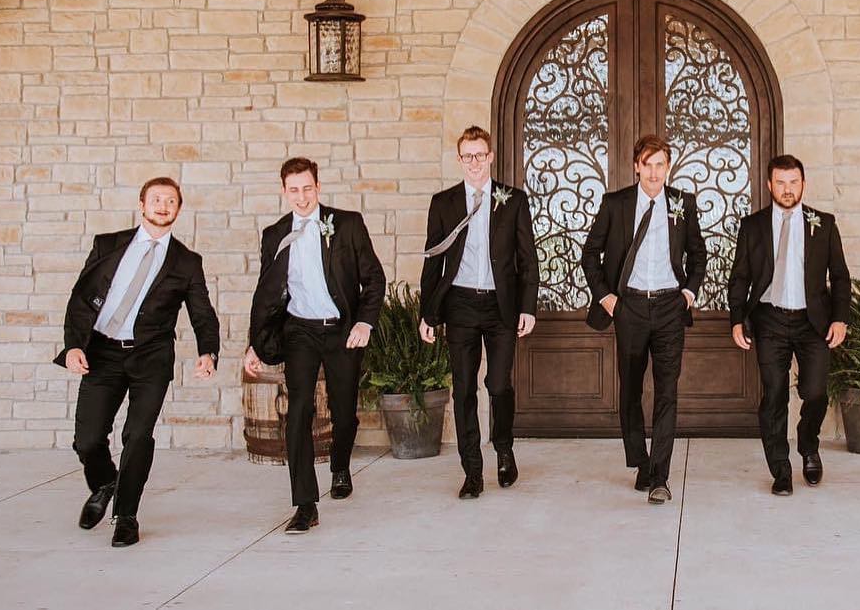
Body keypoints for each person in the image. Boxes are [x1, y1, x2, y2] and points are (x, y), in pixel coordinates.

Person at [55, 177, 219, 547]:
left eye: (171, 201)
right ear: (142, 204)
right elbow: (81, 300)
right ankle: (104, 483)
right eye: (156, 199)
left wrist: (208, 352)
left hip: (151, 357)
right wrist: (72, 346)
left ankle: (126, 516)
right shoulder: (108, 245)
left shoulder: (187, 262)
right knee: (87, 439)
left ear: (178, 209)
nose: (163, 205)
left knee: (137, 436)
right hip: (103, 352)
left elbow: (202, 314)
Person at [245, 157, 385, 534]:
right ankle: (305, 503)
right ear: (284, 191)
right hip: (300, 332)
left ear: (318, 188)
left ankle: (340, 466)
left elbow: (374, 278)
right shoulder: (275, 234)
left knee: (344, 411)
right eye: (294, 190)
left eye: (308, 188)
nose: (302, 196)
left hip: (341, 328)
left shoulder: (347, 224)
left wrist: (364, 322)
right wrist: (255, 344)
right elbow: (267, 295)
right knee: (300, 409)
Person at [581, 135, 707, 505]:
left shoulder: (684, 204)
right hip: (629, 307)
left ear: (668, 167)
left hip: (670, 306)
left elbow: (698, 254)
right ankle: (640, 460)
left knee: (667, 391)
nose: (654, 172)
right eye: (647, 164)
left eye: (660, 165)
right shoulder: (615, 204)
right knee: (631, 388)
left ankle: (660, 475)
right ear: (636, 166)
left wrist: (688, 293)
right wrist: (607, 299)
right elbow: (591, 254)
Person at [419, 126, 540, 499]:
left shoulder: (513, 200)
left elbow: (527, 259)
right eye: (466, 156)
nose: (473, 162)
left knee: (498, 384)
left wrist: (528, 307)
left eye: (479, 155)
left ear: (489, 157)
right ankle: (472, 470)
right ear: (460, 160)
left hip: (500, 305)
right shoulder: (443, 203)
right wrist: (428, 314)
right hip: (459, 305)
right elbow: (432, 262)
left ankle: (503, 448)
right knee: (464, 389)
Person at [727, 154, 850, 495]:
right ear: (769, 185)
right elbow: (739, 278)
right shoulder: (752, 226)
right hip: (770, 320)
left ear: (803, 185)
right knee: (774, 396)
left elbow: (839, 277)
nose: (787, 189)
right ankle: (780, 469)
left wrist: (840, 318)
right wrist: (737, 319)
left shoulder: (823, 224)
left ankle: (808, 445)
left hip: (813, 323)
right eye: (780, 183)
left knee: (815, 392)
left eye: (793, 182)